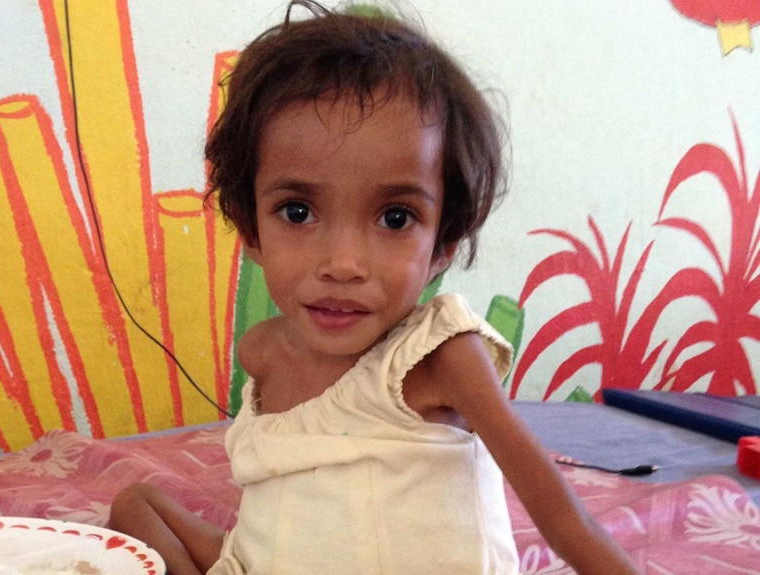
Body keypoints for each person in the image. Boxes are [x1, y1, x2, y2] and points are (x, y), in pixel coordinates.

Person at [109, 2, 641, 574]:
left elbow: (562, 517)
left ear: (444, 242)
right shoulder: (262, 353)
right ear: (250, 229)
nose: (343, 263)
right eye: (297, 210)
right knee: (134, 506)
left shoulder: (439, 358)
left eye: (394, 218)